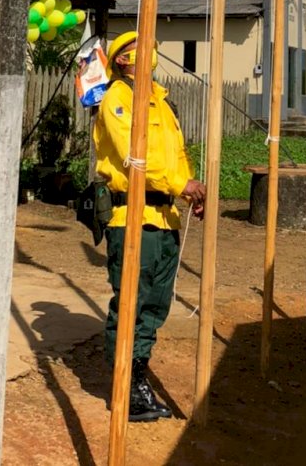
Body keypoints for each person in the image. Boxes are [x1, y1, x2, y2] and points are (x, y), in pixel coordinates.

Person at [93, 30, 206, 422]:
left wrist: (188, 190)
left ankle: (138, 375)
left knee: (155, 306)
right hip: (133, 217)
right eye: (140, 50)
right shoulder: (118, 98)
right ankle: (125, 384)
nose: (151, 54)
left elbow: (175, 155)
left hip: (164, 217)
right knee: (130, 303)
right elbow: (133, 157)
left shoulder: (160, 100)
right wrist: (180, 184)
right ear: (122, 60)